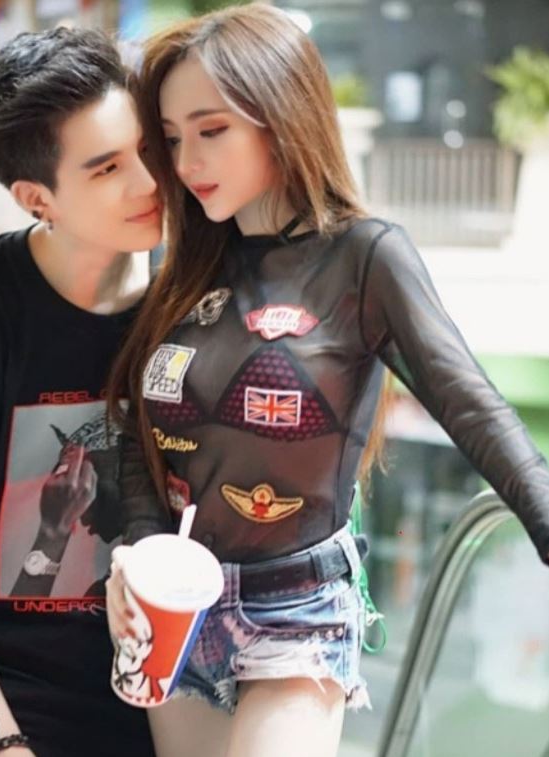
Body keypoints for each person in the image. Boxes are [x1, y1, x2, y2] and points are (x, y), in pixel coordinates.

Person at [105, 5, 549, 757]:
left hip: (297, 611)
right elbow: (140, 434)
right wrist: (142, 551)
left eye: (212, 131)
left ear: (280, 117)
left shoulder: (364, 256)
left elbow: (470, 406)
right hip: (174, 606)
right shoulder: (185, 267)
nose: (187, 162)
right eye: (174, 138)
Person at [0, 27, 161, 757]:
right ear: (37, 198)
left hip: (164, 700)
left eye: (149, 149)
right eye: (108, 168)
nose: (149, 182)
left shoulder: (193, 295)